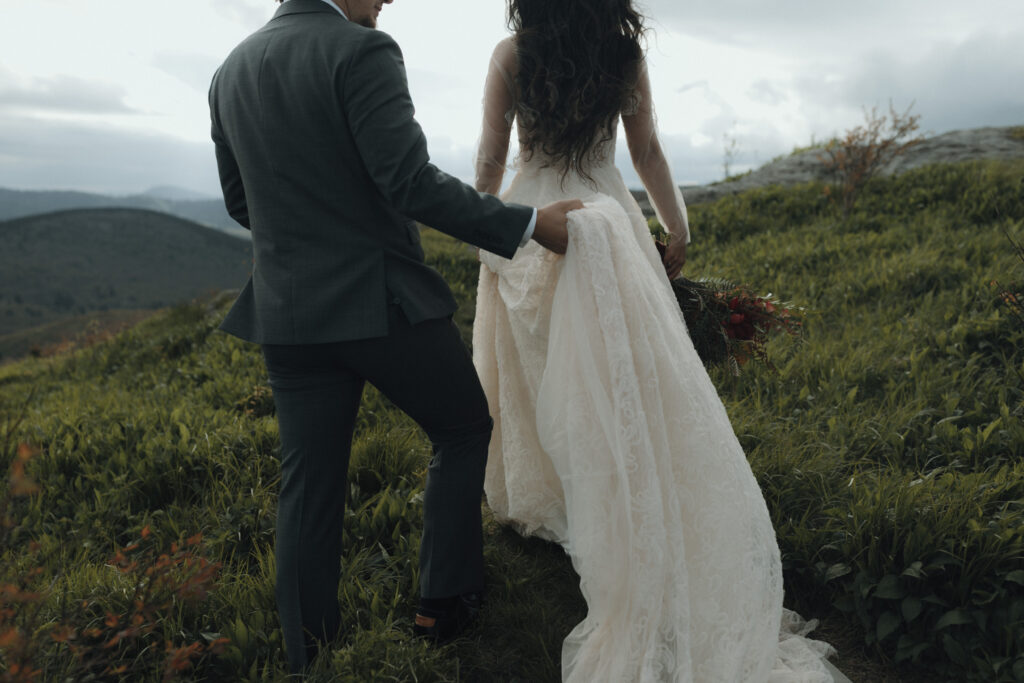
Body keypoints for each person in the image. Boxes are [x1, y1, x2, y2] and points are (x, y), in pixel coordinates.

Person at [472, 1, 848, 680]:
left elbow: (490, 161)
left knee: (538, 369)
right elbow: (645, 150)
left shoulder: (512, 54)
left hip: (534, 218)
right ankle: (616, 487)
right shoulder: (624, 53)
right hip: (609, 217)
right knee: (619, 372)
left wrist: (486, 230)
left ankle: (561, 498)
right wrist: (677, 226)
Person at [208, 0, 581, 673]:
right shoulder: (362, 51)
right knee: (464, 424)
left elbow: (242, 201)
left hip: (289, 314)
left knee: (308, 483)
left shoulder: (231, 70)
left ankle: (309, 656)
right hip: (379, 303)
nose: (385, 1)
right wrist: (527, 226)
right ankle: (443, 601)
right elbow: (410, 182)